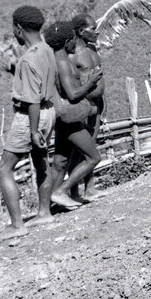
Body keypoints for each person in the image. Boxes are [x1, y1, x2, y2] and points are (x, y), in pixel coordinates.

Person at [0, 6, 59, 235]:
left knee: (4, 168)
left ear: (19, 28)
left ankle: (17, 225)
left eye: (14, 29)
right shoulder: (48, 50)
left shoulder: (28, 58)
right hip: (49, 110)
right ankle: (44, 213)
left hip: (31, 115)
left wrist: (32, 130)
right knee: (41, 160)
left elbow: (31, 99)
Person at [44, 21, 104, 210]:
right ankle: (60, 192)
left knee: (60, 162)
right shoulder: (62, 63)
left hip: (64, 117)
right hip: (71, 118)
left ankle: (49, 207)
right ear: (67, 41)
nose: (73, 44)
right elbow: (72, 94)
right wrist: (91, 82)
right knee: (93, 157)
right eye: (71, 40)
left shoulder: (56, 60)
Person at [67, 13, 106, 201]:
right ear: (81, 31)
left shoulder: (92, 51)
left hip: (97, 106)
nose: (97, 31)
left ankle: (90, 188)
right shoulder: (72, 55)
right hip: (82, 106)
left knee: (91, 146)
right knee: (78, 151)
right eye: (93, 28)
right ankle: (73, 192)